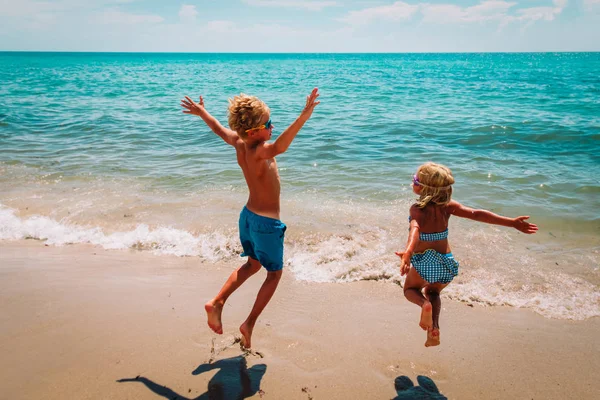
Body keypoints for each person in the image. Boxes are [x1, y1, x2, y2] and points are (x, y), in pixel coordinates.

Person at [180, 88, 320, 348]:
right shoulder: (261, 150)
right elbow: (281, 146)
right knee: (274, 274)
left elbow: (219, 129)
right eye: (268, 124)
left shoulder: (239, 142)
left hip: (248, 218)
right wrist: (304, 115)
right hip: (266, 224)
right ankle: (249, 323)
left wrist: (202, 112)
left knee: (252, 265)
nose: (272, 126)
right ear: (255, 131)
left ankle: (217, 302)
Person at [395, 162, 538, 347]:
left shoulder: (417, 209)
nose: (412, 181)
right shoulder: (448, 206)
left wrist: (408, 252)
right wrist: (511, 223)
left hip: (426, 262)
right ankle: (434, 329)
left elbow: (415, 229)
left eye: (415, 179)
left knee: (410, 290)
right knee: (433, 292)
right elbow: (477, 214)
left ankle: (424, 305)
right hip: (447, 263)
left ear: (423, 188)